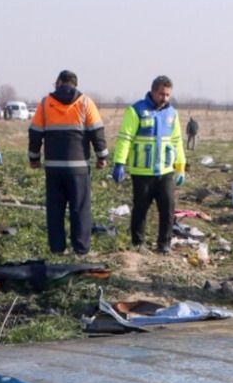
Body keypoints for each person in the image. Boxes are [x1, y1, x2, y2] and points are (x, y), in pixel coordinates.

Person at [29, 70, 108, 255]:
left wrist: (34, 158)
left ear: (59, 82)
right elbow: (97, 132)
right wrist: (102, 157)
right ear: (75, 84)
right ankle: (81, 249)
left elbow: (35, 133)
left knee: (55, 209)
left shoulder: (45, 103)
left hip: (53, 167)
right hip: (78, 168)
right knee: (80, 208)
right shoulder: (85, 102)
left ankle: (57, 249)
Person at [112, 75, 186, 253]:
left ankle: (164, 244)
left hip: (165, 171)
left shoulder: (172, 114)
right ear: (153, 91)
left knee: (168, 208)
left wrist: (180, 167)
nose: (164, 98)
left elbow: (177, 141)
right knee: (140, 209)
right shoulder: (136, 111)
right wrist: (119, 163)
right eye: (161, 94)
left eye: (167, 95)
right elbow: (125, 139)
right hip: (142, 172)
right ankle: (138, 244)